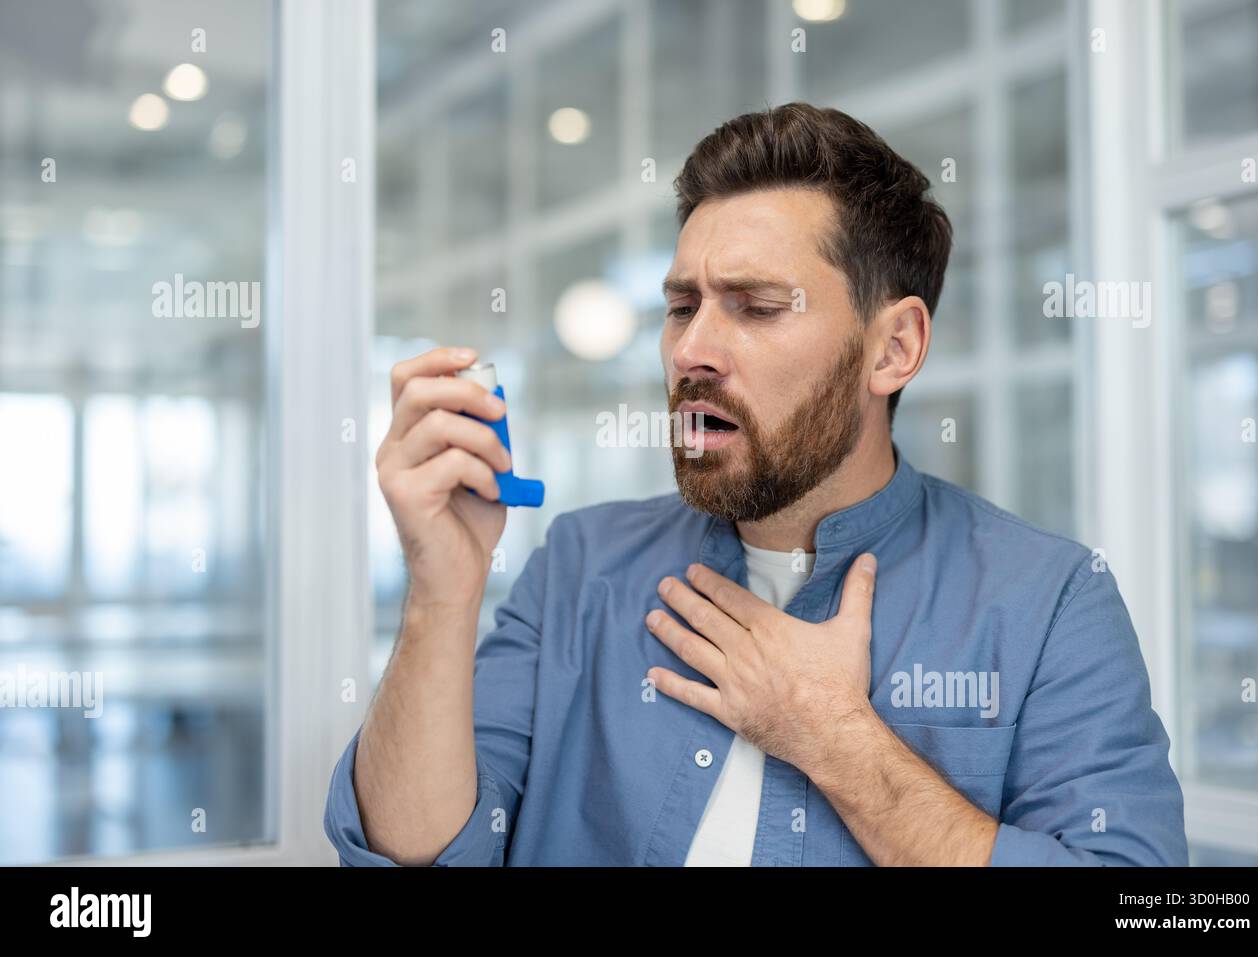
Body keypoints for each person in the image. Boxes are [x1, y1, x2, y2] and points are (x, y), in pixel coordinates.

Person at [324, 102, 1187, 866]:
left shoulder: (1050, 603)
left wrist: (836, 738)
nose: (691, 349)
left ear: (893, 349)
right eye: (680, 305)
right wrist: (443, 588)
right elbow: (420, 852)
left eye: (757, 306)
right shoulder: (580, 566)